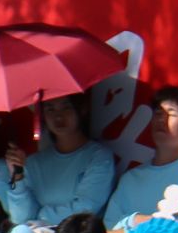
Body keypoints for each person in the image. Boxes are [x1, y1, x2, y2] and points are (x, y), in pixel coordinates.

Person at [106, 87, 178, 231]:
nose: (162, 119)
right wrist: (137, 220)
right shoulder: (130, 178)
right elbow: (108, 231)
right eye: (158, 113)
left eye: (171, 114)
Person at [19, 94, 115, 226]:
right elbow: (21, 217)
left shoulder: (99, 157)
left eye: (66, 107)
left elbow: (87, 207)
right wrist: (17, 180)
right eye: (50, 109)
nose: (58, 116)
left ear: (82, 110)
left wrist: (42, 218)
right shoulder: (33, 163)